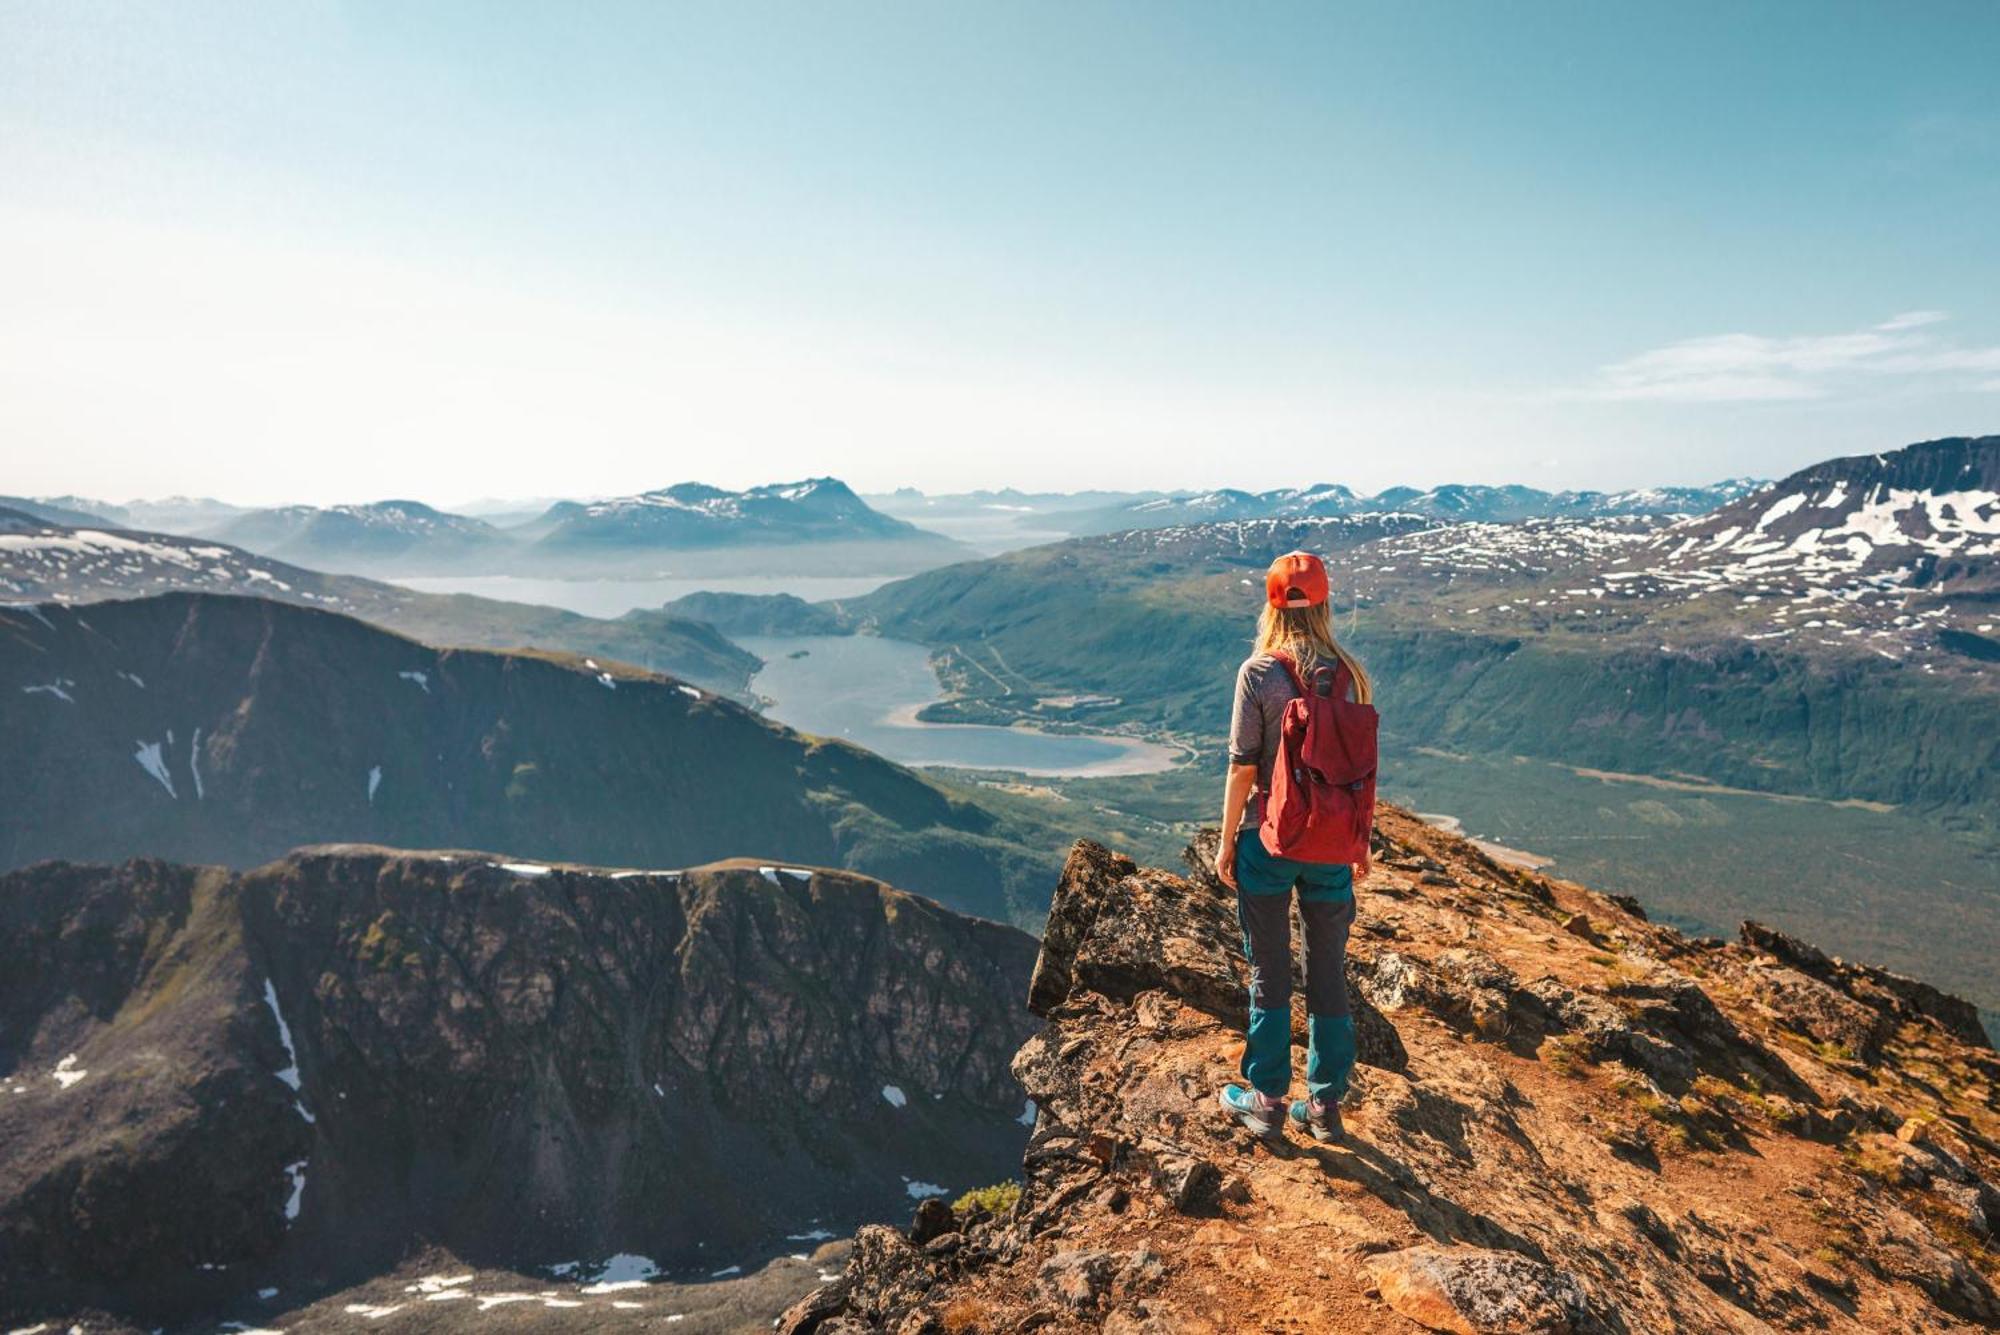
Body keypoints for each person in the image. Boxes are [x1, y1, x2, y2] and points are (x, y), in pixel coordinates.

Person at [1215, 550, 1374, 1143]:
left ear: (1272, 603)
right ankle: (1326, 1106)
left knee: (1270, 967)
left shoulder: (1259, 673)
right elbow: (1360, 770)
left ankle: (1267, 1099)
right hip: (1332, 845)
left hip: (1270, 838)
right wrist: (1359, 840)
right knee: (1327, 968)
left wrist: (1227, 840)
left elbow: (1241, 767)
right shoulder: (1352, 676)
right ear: (1325, 602)